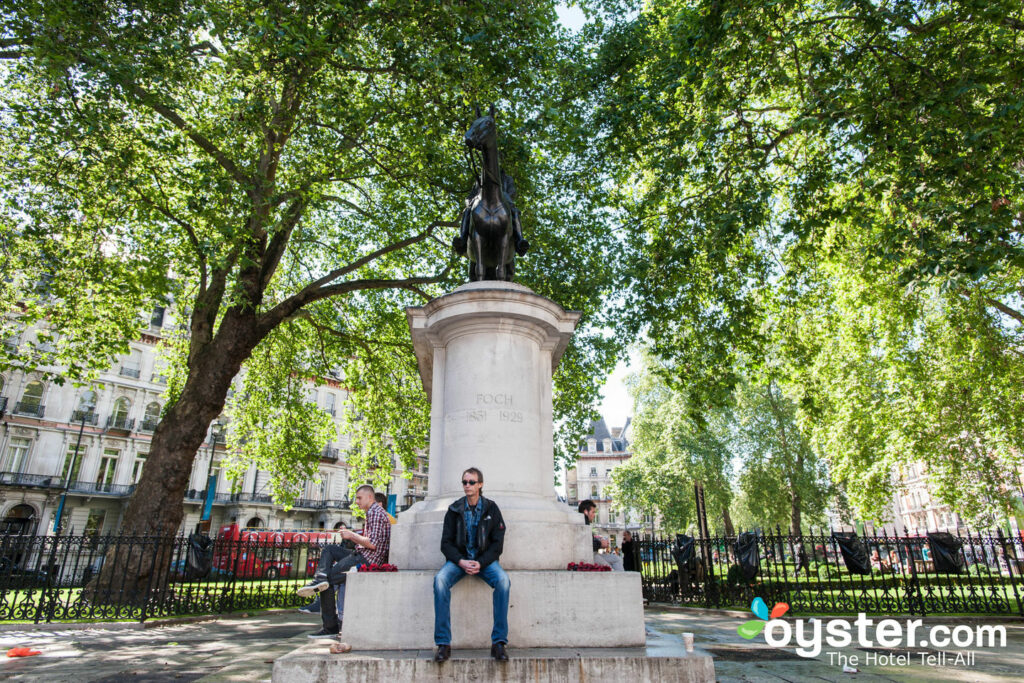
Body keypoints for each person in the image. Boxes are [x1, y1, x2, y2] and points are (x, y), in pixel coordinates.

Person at [433, 467, 509, 663]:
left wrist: (481, 563)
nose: (467, 486)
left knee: (503, 581)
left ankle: (498, 643)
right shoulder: (454, 509)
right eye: (464, 482)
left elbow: (497, 544)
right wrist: (460, 561)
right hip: (459, 560)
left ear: (480, 485)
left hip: (484, 561)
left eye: (471, 482)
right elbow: (445, 543)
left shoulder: (492, 508)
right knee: (440, 581)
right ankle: (443, 643)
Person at [297, 485, 391, 638]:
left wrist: (351, 535)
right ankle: (318, 580)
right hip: (361, 553)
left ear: (370, 497)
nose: (357, 502)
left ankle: (330, 626)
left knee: (329, 579)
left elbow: (373, 544)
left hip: (367, 559)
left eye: (359, 498)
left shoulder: (375, 513)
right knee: (329, 550)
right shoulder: (372, 513)